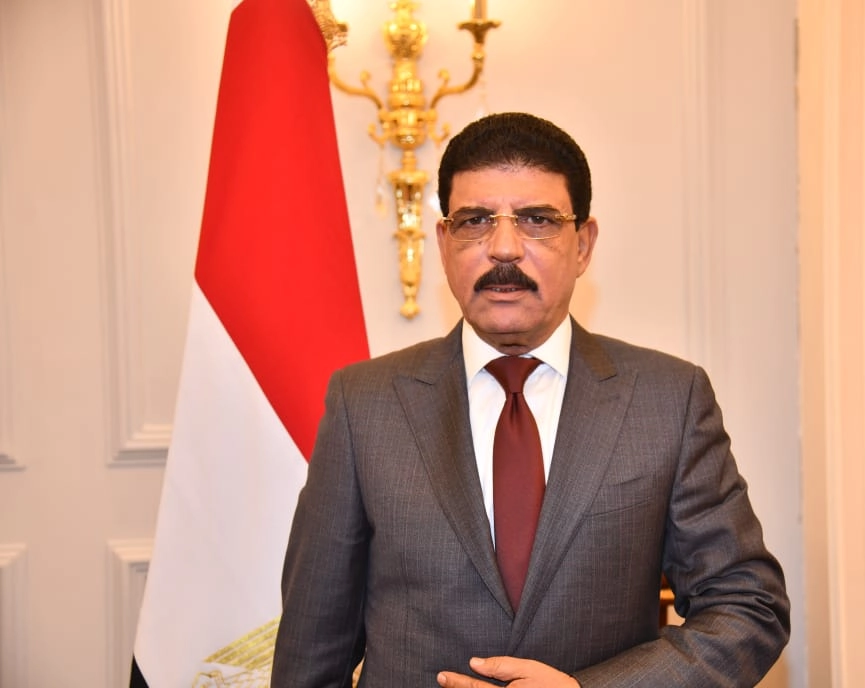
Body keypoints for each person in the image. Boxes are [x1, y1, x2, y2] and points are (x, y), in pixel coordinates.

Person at [271, 112, 790, 688]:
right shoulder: (363, 405)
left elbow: (749, 607)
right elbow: (311, 652)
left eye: (537, 220)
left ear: (583, 244)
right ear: (443, 244)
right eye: (474, 221)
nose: (503, 248)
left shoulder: (668, 400)